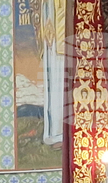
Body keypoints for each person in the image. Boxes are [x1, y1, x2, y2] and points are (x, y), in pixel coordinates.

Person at [36, 0, 66, 146]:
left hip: (72, 32)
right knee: (55, 83)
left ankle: (66, 132)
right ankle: (56, 132)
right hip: (54, 36)